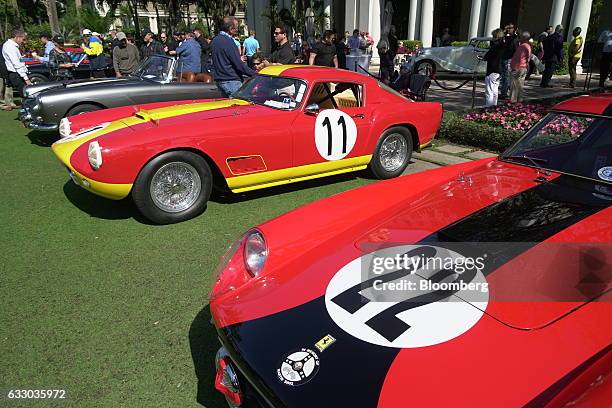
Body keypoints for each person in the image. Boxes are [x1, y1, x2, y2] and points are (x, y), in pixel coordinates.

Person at [211, 16, 256, 97]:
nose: (237, 30)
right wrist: (255, 75)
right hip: (231, 81)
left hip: (220, 81)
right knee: (239, 107)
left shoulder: (215, 40)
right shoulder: (228, 42)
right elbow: (238, 64)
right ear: (231, 28)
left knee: (227, 108)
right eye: (236, 28)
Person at [2, 29, 31, 97]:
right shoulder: (10, 47)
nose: (23, 41)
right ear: (17, 37)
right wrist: (26, 79)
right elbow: (16, 64)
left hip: (18, 74)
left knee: (25, 95)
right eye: (23, 39)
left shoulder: (12, 46)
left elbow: (17, 60)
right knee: (26, 96)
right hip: (16, 75)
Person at [483, 28, 505, 106]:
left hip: (492, 70)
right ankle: (494, 106)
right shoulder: (502, 45)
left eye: (493, 36)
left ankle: (489, 108)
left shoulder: (495, 46)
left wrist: (484, 58)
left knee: (489, 91)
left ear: (496, 36)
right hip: (499, 70)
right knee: (495, 91)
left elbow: (487, 56)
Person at [510, 32, 531, 103]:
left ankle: (513, 101)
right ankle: (519, 100)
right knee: (520, 85)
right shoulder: (528, 46)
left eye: (521, 37)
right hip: (523, 67)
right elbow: (527, 58)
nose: (519, 38)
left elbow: (518, 58)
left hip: (518, 68)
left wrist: (514, 67)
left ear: (524, 38)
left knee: (514, 86)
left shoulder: (522, 46)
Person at [500, 23, 518, 99]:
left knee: (506, 77)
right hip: (504, 58)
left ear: (514, 29)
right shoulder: (506, 37)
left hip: (509, 59)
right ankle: (504, 92)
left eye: (510, 28)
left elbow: (515, 49)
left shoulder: (514, 38)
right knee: (504, 76)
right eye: (508, 28)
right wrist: (504, 31)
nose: (508, 29)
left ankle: (504, 93)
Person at [0, 42, 16, 110]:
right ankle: (2, 104)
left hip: (6, 69)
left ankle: (10, 103)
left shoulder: (4, 46)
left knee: (9, 86)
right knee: (1, 88)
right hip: (1, 70)